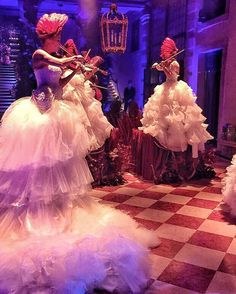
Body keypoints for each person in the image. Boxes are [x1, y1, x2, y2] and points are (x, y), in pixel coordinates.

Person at [0, 13, 159, 293]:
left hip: (56, 113)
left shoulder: (54, 57)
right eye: (58, 35)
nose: (60, 40)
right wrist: (73, 61)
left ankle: (59, 210)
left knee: (60, 166)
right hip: (38, 115)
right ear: (50, 35)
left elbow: (58, 84)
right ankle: (35, 214)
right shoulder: (40, 53)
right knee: (38, 164)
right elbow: (55, 63)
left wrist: (76, 70)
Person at [140, 37, 213, 158]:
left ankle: (177, 149)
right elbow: (159, 67)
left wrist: (163, 67)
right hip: (166, 87)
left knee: (175, 115)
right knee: (161, 112)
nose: (164, 56)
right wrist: (157, 66)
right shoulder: (168, 62)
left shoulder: (175, 63)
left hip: (174, 87)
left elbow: (172, 75)